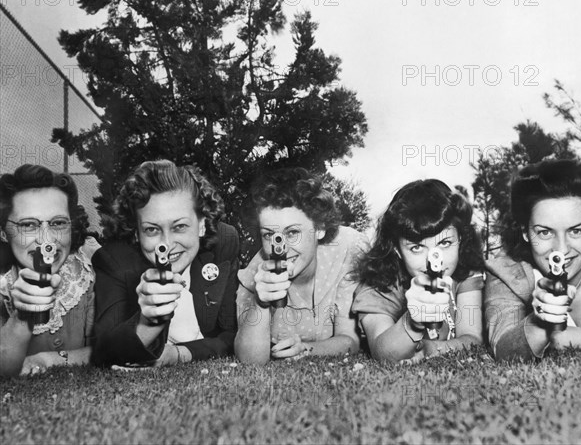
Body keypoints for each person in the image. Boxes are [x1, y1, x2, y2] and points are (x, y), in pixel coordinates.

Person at [92, 160, 239, 367]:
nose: (167, 245)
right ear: (136, 233)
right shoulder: (114, 261)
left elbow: (233, 333)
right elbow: (104, 351)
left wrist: (181, 353)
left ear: (202, 225)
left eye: (179, 227)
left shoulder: (224, 242)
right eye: (152, 230)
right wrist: (147, 322)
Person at [235, 168, 367, 365]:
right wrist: (260, 304)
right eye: (269, 235)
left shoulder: (348, 249)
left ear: (320, 228)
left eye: (292, 232)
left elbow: (350, 339)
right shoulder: (256, 274)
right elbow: (249, 360)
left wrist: (307, 349)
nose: (280, 248)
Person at [352, 179, 485, 363]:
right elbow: (381, 353)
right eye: (416, 247)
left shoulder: (465, 274)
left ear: (460, 238)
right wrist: (412, 322)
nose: (432, 261)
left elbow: (472, 340)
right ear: (397, 249)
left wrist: (429, 349)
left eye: (444, 243)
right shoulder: (377, 283)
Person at [485, 160, 581, 361]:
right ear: (526, 233)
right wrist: (539, 323)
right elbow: (504, 350)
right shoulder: (506, 274)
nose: (561, 250)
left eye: (576, 231)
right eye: (545, 232)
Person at [0, 164, 97, 376]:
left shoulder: (88, 274)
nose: (47, 240)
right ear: (4, 233)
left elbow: (106, 351)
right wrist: (21, 319)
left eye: (58, 223)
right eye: (28, 225)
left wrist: (48, 359)